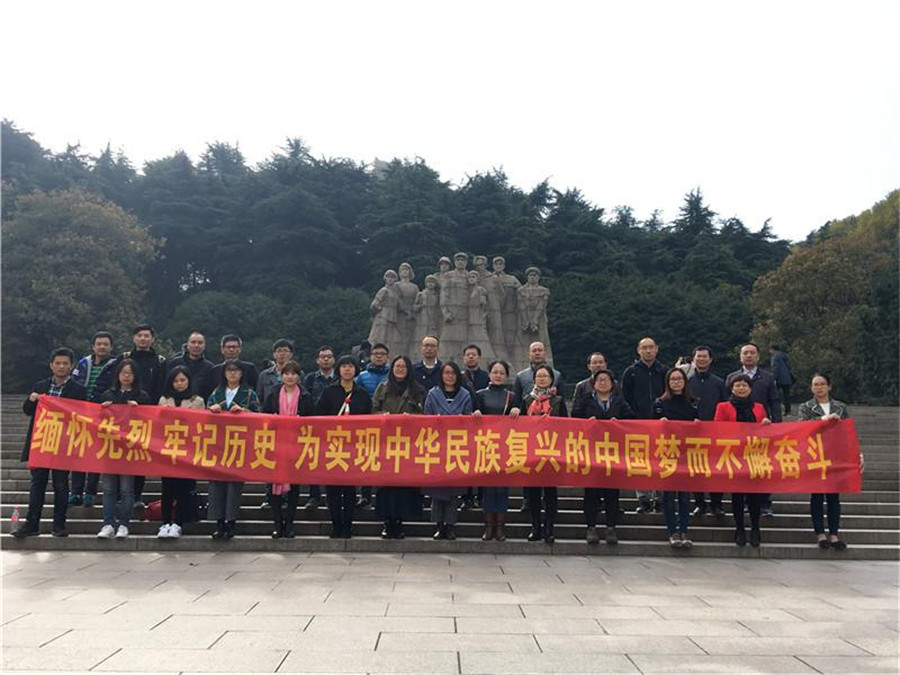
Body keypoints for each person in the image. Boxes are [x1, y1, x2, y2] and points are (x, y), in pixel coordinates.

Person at [13, 348, 87, 539]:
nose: (61, 366)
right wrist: (32, 400)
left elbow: (83, 416)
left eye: (65, 363)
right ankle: (32, 523)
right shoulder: (41, 386)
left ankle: (59, 524)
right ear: (51, 365)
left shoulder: (79, 390)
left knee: (61, 485)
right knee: (37, 484)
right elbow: (27, 410)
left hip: (63, 444)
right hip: (42, 443)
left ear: (71, 366)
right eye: (58, 363)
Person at [94, 324, 168, 507]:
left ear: (153, 339)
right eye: (139, 335)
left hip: (145, 415)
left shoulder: (159, 361)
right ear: (134, 338)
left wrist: (151, 409)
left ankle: (136, 495)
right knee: (118, 454)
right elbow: (111, 382)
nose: (143, 338)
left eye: (147, 335)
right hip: (119, 418)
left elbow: (161, 387)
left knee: (139, 455)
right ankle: (118, 495)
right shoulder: (124, 358)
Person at [798, 374, 861, 551]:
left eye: (822, 384)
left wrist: (857, 453)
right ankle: (820, 533)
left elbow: (848, 432)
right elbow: (802, 427)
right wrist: (824, 420)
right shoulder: (806, 407)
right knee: (817, 495)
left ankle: (834, 534)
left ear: (829, 386)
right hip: (815, 454)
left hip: (836, 455)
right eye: (815, 385)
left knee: (834, 496)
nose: (819, 387)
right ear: (811, 388)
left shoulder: (840, 407)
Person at [571, 369, 633, 545]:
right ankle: (591, 527)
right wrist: (587, 422)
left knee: (612, 493)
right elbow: (574, 418)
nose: (603, 383)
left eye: (606, 380)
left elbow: (632, 418)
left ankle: (611, 527)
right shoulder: (586, 400)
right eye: (599, 380)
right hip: (591, 452)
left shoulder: (619, 401)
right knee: (591, 492)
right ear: (593, 384)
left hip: (613, 454)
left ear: (612, 384)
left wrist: (619, 423)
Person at [317, 355, 372, 538]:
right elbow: (319, 417)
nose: (347, 369)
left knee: (349, 490)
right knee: (332, 490)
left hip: (353, 448)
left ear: (356, 370)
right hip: (332, 447)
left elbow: (369, 420)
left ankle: (347, 525)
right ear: (338, 369)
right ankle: (336, 525)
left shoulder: (362, 394)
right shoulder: (329, 392)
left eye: (350, 366)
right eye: (344, 366)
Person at [96, 359, 151, 539]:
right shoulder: (107, 394)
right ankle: (108, 524)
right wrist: (103, 409)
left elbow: (149, 421)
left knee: (127, 489)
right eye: (123, 372)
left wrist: (139, 409)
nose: (126, 376)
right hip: (110, 448)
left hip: (129, 450)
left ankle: (124, 524)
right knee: (109, 489)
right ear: (118, 374)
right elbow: (97, 420)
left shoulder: (142, 396)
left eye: (130, 373)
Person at [714, 374, 771, 547]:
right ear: (731, 389)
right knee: (737, 496)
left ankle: (755, 528)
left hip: (754, 456)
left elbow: (766, 433)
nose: (741, 388)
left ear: (750, 388)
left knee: (755, 496)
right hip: (734, 457)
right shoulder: (723, 407)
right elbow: (717, 428)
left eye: (744, 385)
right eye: (737, 385)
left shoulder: (759, 407)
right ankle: (739, 528)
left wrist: (766, 424)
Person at [207, 359, 261, 540]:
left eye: (236, 370)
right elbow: (203, 417)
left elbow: (259, 415)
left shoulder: (250, 393)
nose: (232, 374)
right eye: (229, 370)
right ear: (224, 373)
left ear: (242, 373)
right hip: (218, 444)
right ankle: (218, 522)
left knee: (234, 486)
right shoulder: (216, 393)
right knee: (216, 485)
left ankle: (231, 522)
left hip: (239, 444)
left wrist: (244, 412)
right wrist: (211, 410)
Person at [372, 355, 425, 539]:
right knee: (386, 486)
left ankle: (400, 522)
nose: (400, 369)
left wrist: (411, 418)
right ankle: (387, 523)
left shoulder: (417, 390)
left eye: (403, 366)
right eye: (397, 366)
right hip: (386, 444)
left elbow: (423, 414)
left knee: (404, 486)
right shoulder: (383, 388)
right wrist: (383, 415)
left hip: (408, 445)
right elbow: (373, 411)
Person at [262, 361, 316, 538]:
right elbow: (264, 415)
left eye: (294, 373)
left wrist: (302, 421)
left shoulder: (305, 396)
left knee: (294, 487)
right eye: (286, 373)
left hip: (296, 445)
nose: (290, 377)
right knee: (274, 485)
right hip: (276, 445)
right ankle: (277, 524)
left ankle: (290, 523)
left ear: (299, 376)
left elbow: (314, 420)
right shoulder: (273, 393)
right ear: (281, 375)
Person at [727, 342, 782, 516]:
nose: (749, 356)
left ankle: (764, 503)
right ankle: (744, 502)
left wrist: (776, 424)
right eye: (745, 353)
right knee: (741, 468)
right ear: (740, 357)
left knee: (762, 467)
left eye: (752, 353)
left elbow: (774, 401)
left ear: (758, 356)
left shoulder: (767, 377)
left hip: (761, 429)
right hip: (737, 433)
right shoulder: (732, 377)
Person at [424, 361, 473, 540]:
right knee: (437, 489)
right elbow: (425, 418)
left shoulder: (465, 394)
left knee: (453, 490)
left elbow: (469, 420)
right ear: (441, 375)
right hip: (437, 446)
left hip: (457, 446)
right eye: (447, 373)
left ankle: (450, 525)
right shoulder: (433, 394)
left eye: (453, 373)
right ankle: (439, 525)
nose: (450, 376)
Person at [473, 360, 520, 541]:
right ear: (489, 374)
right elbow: (472, 418)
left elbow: (522, 421)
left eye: (501, 373)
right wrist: (475, 413)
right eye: (495, 372)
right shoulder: (480, 395)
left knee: (502, 488)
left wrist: (517, 410)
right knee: (487, 488)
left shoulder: (512, 396)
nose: (498, 375)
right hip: (486, 446)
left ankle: (500, 527)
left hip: (505, 446)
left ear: (506, 376)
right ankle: (488, 526)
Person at [157, 366, 206, 539]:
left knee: (183, 490)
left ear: (189, 381)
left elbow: (202, 425)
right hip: (168, 450)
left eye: (183, 380)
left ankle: (178, 523)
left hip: (187, 452)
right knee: (167, 490)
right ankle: (165, 523)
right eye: (176, 380)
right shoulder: (164, 399)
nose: (179, 383)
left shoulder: (198, 401)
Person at [653, 368, 699, 549]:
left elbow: (701, 426)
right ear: (668, 382)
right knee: (669, 496)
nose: (676, 382)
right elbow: (650, 427)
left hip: (687, 454)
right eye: (672, 379)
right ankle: (672, 531)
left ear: (685, 381)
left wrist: (698, 424)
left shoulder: (693, 402)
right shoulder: (660, 403)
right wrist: (660, 423)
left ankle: (684, 530)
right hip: (667, 454)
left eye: (679, 379)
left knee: (685, 497)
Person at [522, 364, 568, 543]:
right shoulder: (527, 400)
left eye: (545, 376)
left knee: (550, 492)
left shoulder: (558, 401)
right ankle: (535, 527)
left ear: (551, 380)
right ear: (534, 379)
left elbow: (566, 424)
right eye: (538, 376)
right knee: (533, 493)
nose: (542, 379)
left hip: (552, 451)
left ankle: (549, 528)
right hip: (531, 451)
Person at [621, 336, 668, 514]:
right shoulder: (630, 372)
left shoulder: (664, 371)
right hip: (637, 424)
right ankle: (643, 499)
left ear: (657, 349)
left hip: (661, 424)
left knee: (661, 461)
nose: (648, 351)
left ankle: (660, 498)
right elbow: (625, 398)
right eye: (644, 348)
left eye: (651, 347)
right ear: (638, 351)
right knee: (639, 462)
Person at [68, 330, 114, 506]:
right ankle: (76, 491)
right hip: (81, 413)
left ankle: (90, 492)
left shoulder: (115, 365)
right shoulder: (83, 363)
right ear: (93, 346)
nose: (102, 347)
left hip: (102, 414)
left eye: (105, 344)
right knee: (79, 452)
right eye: (99, 344)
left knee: (96, 454)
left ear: (111, 347)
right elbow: (73, 383)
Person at [687, 345, 728, 517]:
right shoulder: (687, 382)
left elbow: (725, 405)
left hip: (715, 433)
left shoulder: (719, 383)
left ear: (710, 360)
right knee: (696, 468)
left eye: (705, 356)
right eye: (698, 356)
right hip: (693, 433)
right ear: (693, 359)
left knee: (716, 469)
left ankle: (716, 503)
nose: (701, 359)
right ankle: (699, 503)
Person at [302, 345, 337, 509]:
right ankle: (314, 496)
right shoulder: (310, 378)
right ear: (317, 360)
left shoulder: (339, 377)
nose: (326, 359)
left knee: (333, 461)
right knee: (313, 461)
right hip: (314, 426)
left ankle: (331, 496)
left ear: (334, 359)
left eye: (329, 356)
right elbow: (304, 398)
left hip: (335, 427)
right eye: (323, 357)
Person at [354, 342, 389, 507]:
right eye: (376, 354)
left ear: (387, 357)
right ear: (371, 356)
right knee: (367, 458)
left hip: (388, 423)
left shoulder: (392, 374)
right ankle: (365, 494)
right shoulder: (362, 376)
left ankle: (383, 496)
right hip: (367, 422)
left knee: (386, 459)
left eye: (382, 354)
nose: (379, 357)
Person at [165, 330, 215, 400]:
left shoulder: (210, 368)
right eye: (193, 342)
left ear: (204, 346)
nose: (196, 345)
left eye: (200, 343)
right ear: (188, 345)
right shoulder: (174, 363)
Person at [257, 338, 297, 405]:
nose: (282, 354)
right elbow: (259, 398)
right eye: (279, 351)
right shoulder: (264, 375)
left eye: (285, 350)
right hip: (269, 410)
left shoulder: (298, 373)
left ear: (291, 355)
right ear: (274, 355)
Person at [769, 344, 795, 415]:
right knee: (786, 395)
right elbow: (789, 366)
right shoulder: (784, 355)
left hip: (779, 379)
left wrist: (773, 379)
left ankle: (775, 411)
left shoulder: (775, 356)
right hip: (787, 378)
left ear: (772, 349)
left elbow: (775, 368)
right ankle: (788, 411)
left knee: (774, 395)